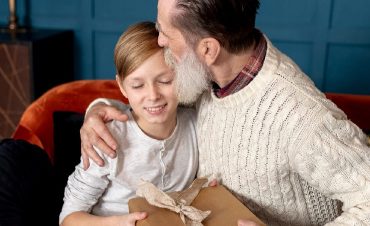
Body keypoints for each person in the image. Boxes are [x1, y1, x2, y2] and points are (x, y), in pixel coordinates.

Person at [80, 0, 370, 225]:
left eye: (165, 33)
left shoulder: (301, 117)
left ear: (208, 49)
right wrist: (99, 112)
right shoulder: (200, 76)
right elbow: (153, 105)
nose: (160, 42)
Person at [59, 21, 199, 226]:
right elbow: (69, 218)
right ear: (122, 87)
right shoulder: (108, 139)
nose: (152, 95)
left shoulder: (194, 124)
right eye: (137, 85)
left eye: (165, 81)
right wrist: (119, 222)